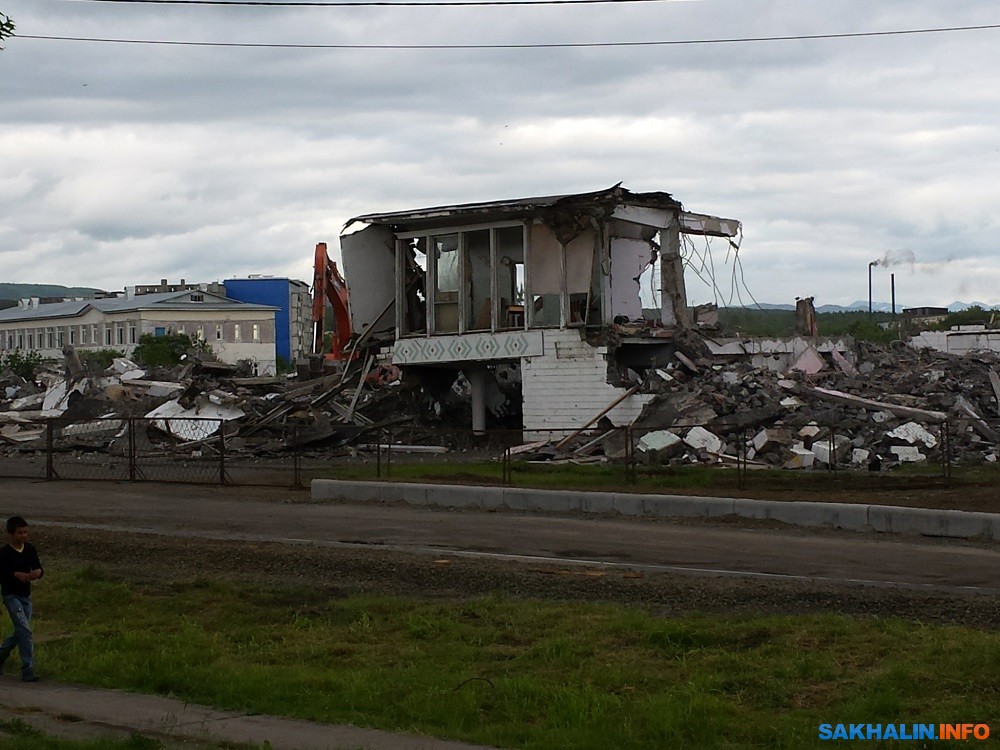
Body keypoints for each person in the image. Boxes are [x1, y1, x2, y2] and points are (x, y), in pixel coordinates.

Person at [0, 516, 43, 682]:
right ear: (11, 534)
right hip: (11, 596)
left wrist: (37, 573)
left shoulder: (30, 549)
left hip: (26, 596)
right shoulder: (4, 553)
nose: (23, 535)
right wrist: (14, 575)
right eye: (20, 533)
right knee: (25, 631)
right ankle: (28, 669)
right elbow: (1, 574)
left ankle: (1, 654)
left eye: (25, 532)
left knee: (20, 631)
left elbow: (38, 567)